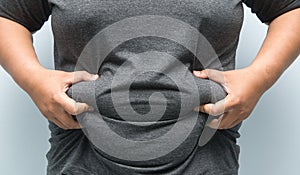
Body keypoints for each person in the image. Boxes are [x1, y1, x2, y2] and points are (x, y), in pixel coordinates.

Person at [0, 0, 299, 174]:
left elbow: (291, 8)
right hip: (81, 161)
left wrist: (259, 78)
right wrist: (33, 79)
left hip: (206, 161)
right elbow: (9, 15)